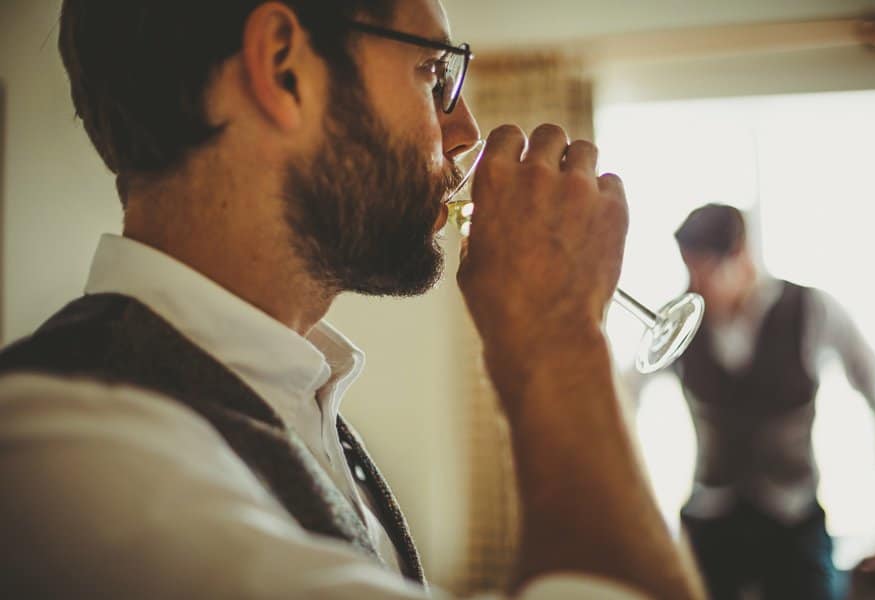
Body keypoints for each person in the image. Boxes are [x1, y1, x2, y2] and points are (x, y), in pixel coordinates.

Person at [0, 2, 704, 599]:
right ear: (283, 68)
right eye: (432, 72)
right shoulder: (70, 460)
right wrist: (558, 334)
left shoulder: (292, 400)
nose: (464, 132)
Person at [658, 203, 875, 599]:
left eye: (705, 271)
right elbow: (624, 397)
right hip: (710, 520)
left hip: (794, 519)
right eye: (689, 271)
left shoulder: (813, 310)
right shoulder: (678, 325)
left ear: (741, 254)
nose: (694, 286)